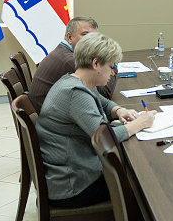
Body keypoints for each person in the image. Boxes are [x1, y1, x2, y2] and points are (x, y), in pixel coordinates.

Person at [35, 32, 156, 208]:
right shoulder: (75, 94)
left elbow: (102, 101)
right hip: (73, 186)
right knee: (144, 185)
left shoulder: (75, 80)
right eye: (111, 66)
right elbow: (104, 138)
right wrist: (139, 123)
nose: (113, 73)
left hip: (70, 173)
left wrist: (119, 110)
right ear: (96, 63)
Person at [30, 16, 117, 113]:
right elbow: (104, 94)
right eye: (85, 35)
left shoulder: (65, 51)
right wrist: (112, 65)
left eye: (94, 37)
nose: (91, 41)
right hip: (53, 117)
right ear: (69, 37)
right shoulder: (70, 60)